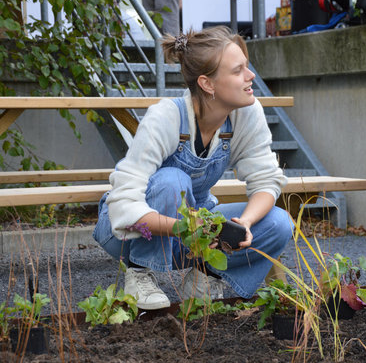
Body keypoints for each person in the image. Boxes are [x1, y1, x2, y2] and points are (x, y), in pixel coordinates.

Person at [92, 26, 293, 310]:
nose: (251, 77)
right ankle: (139, 272)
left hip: (191, 232)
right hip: (127, 233)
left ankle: (204, 277)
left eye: (247, 68)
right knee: (172, 180)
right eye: (238, 71)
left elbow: (266, 181)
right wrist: (188, 228)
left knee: (278, 223)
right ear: (207, 84)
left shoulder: (246, 113)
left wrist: (244, 223)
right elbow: (124, 203)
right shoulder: (166, 117)